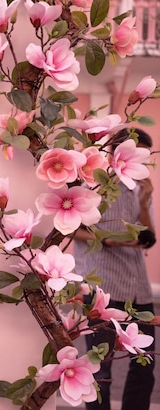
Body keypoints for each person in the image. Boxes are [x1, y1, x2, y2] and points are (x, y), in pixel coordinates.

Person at [72, 128, 156, 410]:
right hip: (101, 289)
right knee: (101, 369)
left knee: (144, 368)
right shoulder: (91, 184)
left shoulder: (140, 188)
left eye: (142, 156)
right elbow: (71, 229)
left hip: (138, 290)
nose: (137, 162)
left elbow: (148, 237)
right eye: (133, 153)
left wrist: (144, 202)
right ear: (113, 152)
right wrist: (106, 239)